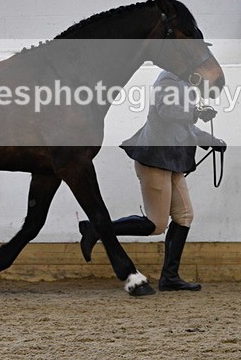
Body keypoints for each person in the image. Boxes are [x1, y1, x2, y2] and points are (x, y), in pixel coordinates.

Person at [78, 70, 226, 291]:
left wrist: (211, 140)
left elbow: (185, 126)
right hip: (155, 159)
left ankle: (170, 278)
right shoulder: (167, 80)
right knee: (156, 225)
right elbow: (167, 111)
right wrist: (195, 112)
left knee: (184, 216)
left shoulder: (184, 83)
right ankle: (96, 229)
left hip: (173, 161)